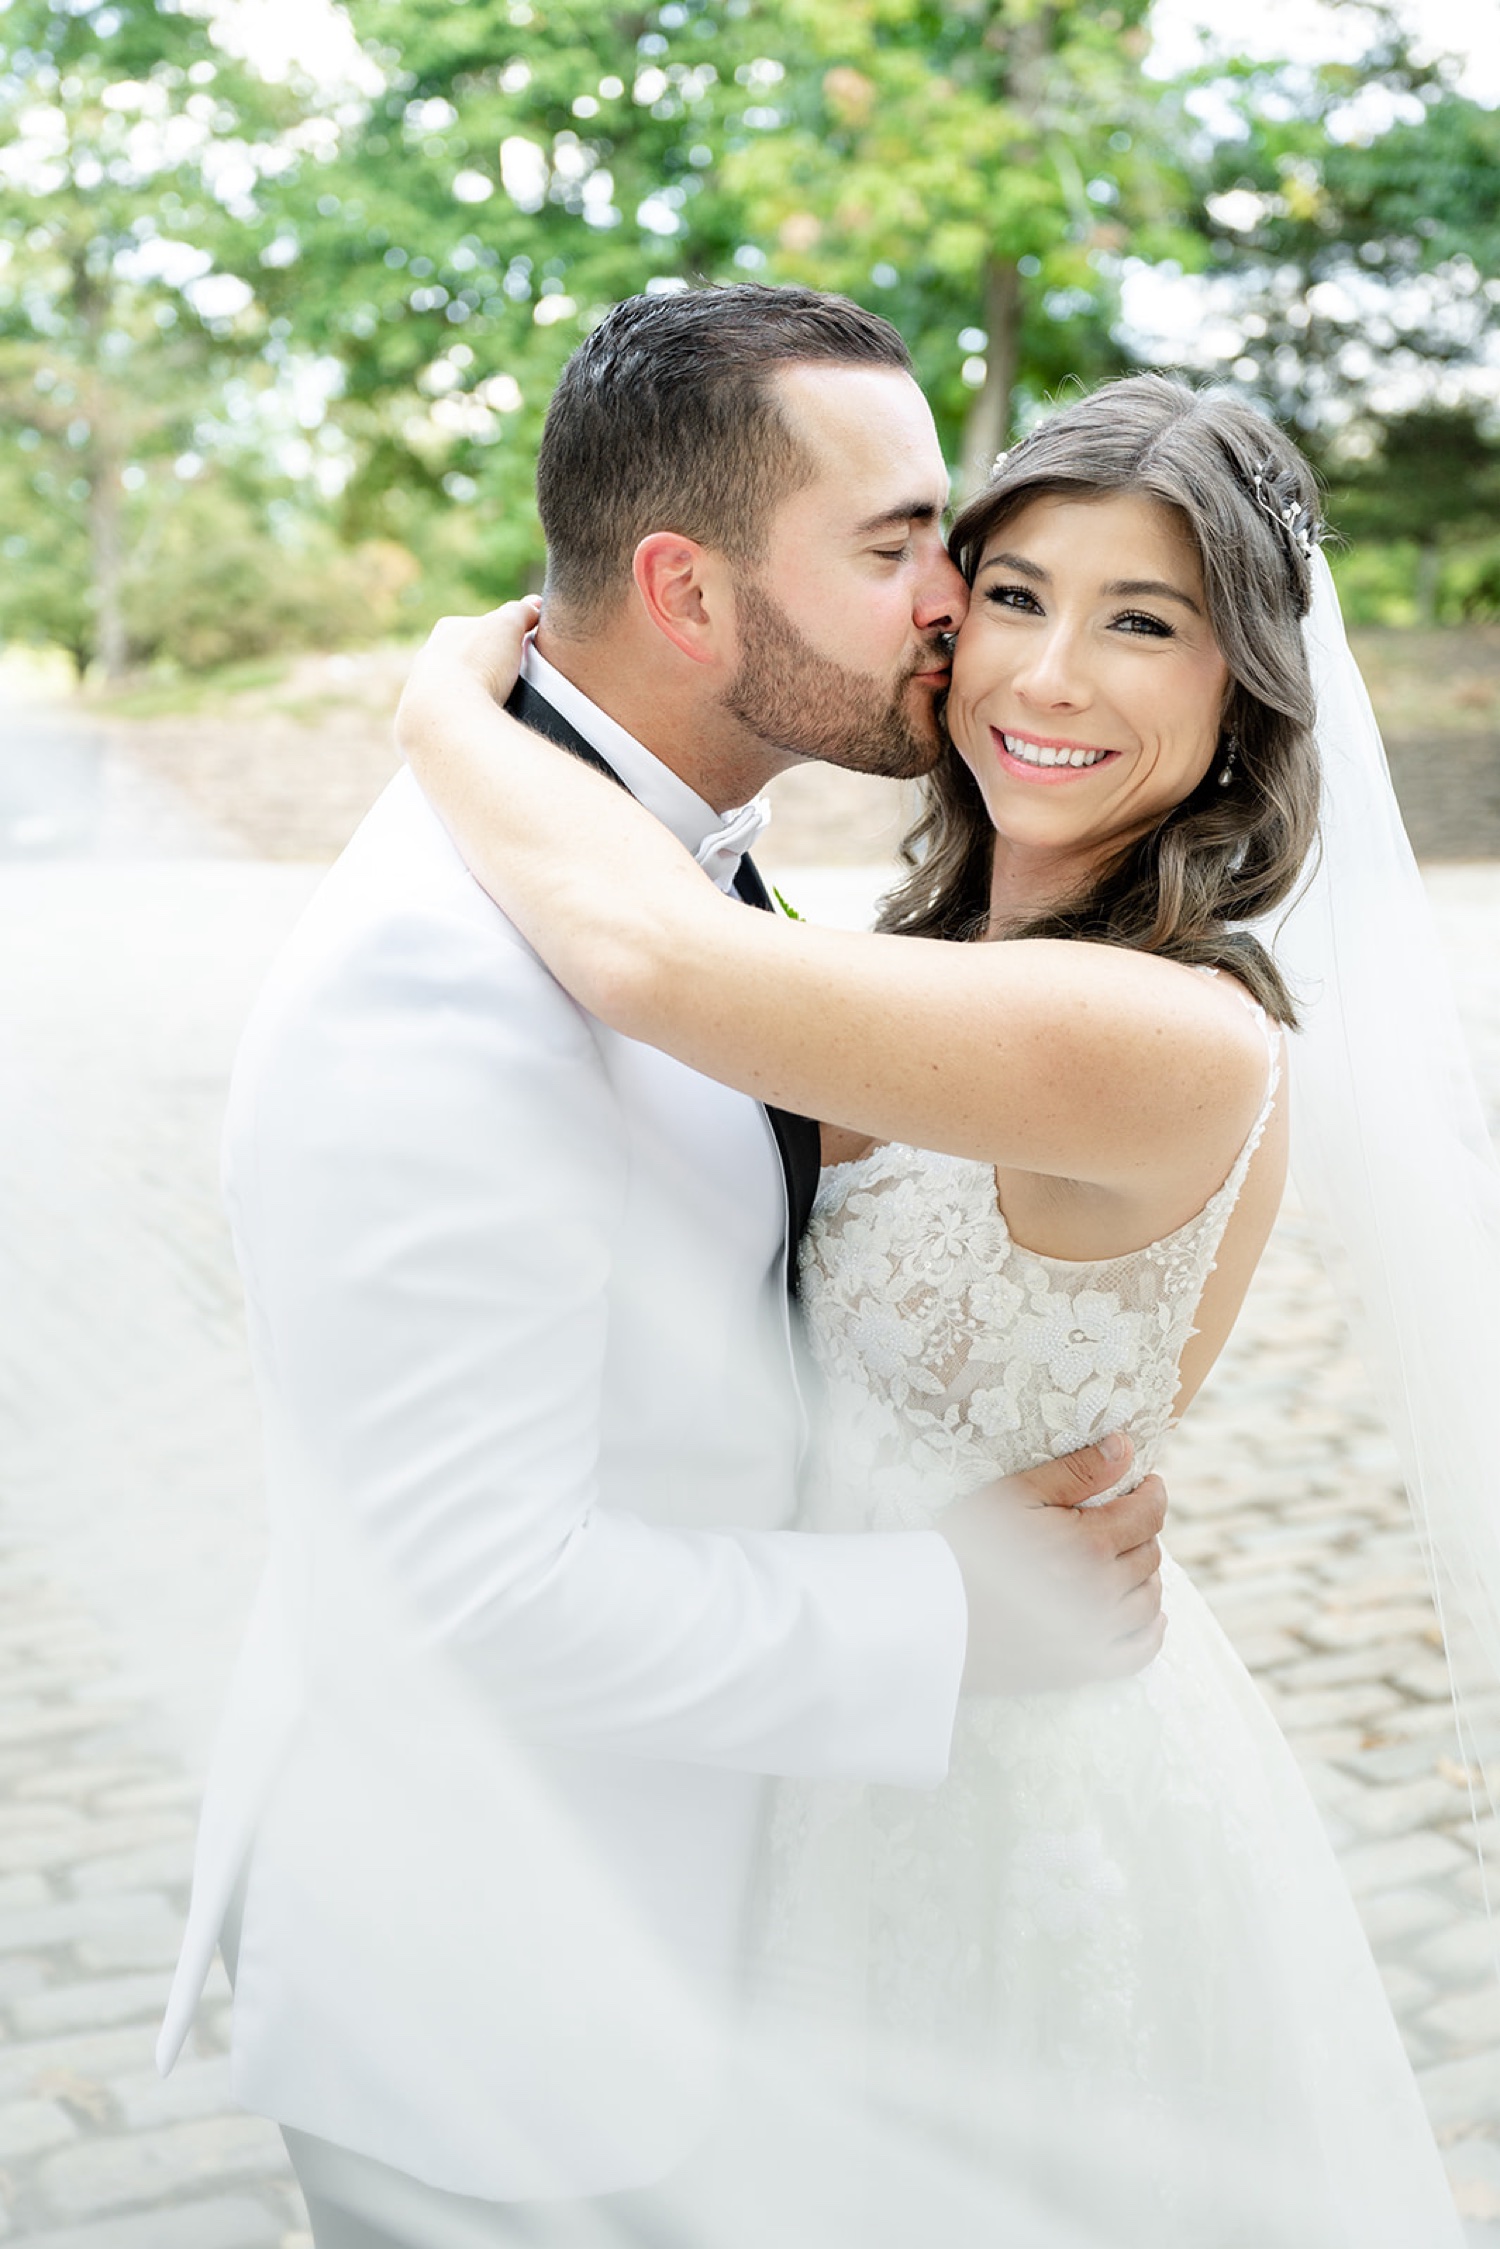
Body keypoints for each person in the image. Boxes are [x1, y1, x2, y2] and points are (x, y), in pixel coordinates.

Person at [396, 372, 1469, 2244]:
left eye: (1146, 624)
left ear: (1244, 708)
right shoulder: (928, 968)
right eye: (1016, 593)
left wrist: (436, 709)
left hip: (997, 1798)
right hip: (835, 1722)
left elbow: (647, 951)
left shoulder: (1164, 1032)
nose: (1047, 676)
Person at [155, 288, 1173, 2249]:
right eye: (892, 547)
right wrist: (942, 1613)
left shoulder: (674, 867)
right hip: (506, 2026)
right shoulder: (437, 987)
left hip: (713, 1973)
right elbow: (469, 1588)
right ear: (688, 596)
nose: (952, 599)